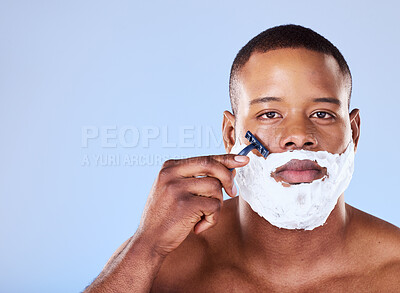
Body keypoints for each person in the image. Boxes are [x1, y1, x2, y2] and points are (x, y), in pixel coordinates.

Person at [84, 24, 400, 292]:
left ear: (354, 133)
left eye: (322, 114)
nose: (298, 135)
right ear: (231, 133)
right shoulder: (163, 263)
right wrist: (146, 246)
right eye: (270, 113)